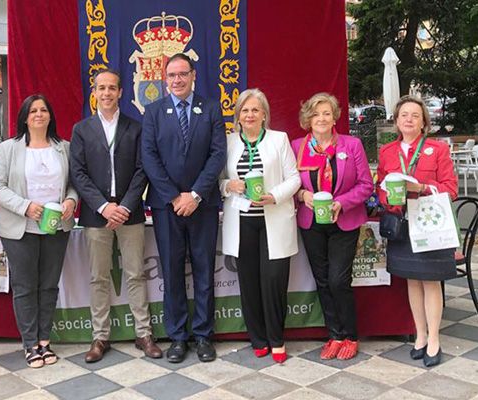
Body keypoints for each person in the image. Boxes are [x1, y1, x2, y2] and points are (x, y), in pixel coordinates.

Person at [69, 69, 162, 362]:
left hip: (130, 212)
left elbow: (142, 169)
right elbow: (78, 173)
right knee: (98, 277)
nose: (107, 93)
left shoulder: (136, 128)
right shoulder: (81, 130)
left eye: (112, 88)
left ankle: (143, 333)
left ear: (121, 92)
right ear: (93, 93)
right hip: (96, 215)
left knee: (135, 274)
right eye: (101, 88)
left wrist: (123, 206)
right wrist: (103, 206)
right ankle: (100, 338)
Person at [141, 53, 226, 363]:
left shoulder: (212, 108)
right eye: (171, 75)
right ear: (165, 80)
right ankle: (177, 337)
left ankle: (203, 336)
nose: (176, 80)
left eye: (182, 74)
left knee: (204, 271)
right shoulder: (152, 112)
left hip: (202, 206)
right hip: (167, 207)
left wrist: (195, 195)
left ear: (193, 75)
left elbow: (217, 155)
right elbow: (149, 158)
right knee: (172, 272)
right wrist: (175, 197)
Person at [0, 94, 78, 368]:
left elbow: (74, 184)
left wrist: (71, 201)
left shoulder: (65, 147)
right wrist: (25, 206)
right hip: (19, 228)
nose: (38, 114)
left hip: (55, 227)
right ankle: (29, 344)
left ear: (50, 115)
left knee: (49, 286)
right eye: (33, 111)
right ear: (25, 117)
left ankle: (44, 341)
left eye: (43, 110)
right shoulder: (8, 148)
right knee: (25, 287)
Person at [220, 89, 300, 363]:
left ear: (264, 114)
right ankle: (258, 338)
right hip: (241, 223)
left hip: (274, 220)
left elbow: (294, 178)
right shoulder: (229, 142)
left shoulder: (279, 140)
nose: (250, 115)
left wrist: (274, 195)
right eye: (245, 110)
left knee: (274, 281)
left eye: (255, 110)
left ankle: (277, 339)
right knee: (249, 282)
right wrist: (228, 185)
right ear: (238, 116)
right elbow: (218, 180)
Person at [377, 95, 458, 368]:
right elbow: (380, 187)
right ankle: (420, 336)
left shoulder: (437, 149)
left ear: (424, 121)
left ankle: (434, 339)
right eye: (404, 115)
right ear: (396, 121)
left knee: (430, 281)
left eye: (414, 115)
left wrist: (421, 188)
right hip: (402, 223)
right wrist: (389, 199)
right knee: (412, 280)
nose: (409, 119)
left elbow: (451, 189)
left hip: (431, 223)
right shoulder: (387, 152)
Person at [292, 93, 373, 361]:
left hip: (344, 221)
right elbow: (289, 184)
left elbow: (366, 185)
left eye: (327, 113)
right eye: (316, 114)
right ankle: (335, 335)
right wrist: (303, 196)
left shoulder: (352, 146)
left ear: (334, 116)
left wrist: (341, 203)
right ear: (308, 119)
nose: (322, 119)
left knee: (339, 280)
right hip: (311, 221)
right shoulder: (297, 147)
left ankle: (350, 335)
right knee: (323, 280)